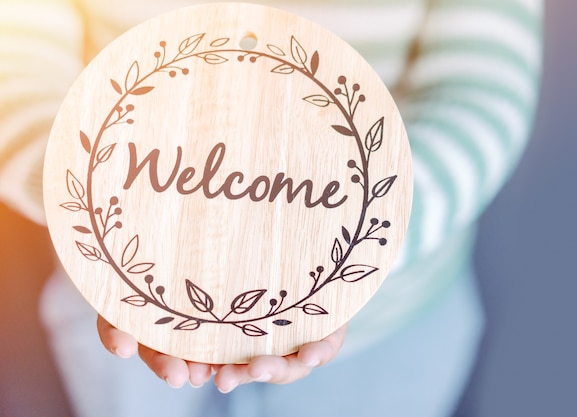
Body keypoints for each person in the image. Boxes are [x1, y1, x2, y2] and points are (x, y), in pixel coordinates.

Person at [0, 0, 543, 416]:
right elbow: (16, 69)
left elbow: (479, 97)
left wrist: (351, 256)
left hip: (384, 317)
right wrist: (109, 229)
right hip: (125, 294)